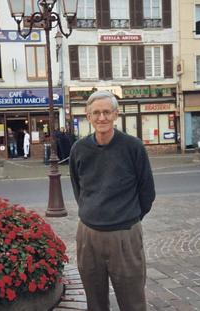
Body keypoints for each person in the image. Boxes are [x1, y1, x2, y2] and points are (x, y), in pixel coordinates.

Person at [69, 90, 156, 311]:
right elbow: (78, 187)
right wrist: (91, 212)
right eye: (96, 113)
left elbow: (147, 191)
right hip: (88, 235)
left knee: (132, 300)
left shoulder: (133, 147)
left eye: (107, 112)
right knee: (94, 301)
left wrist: (128, 217)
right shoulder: (79, 149)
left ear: (116, 115)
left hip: (124, 234)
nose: (102, 118)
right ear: (88, 116)